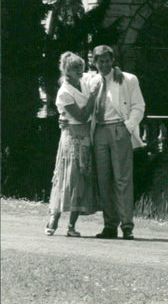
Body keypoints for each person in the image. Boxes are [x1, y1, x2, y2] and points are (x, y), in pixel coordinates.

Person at [89, 45, 145, 240]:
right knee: (104, 180)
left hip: (119, 129)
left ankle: (127, 226)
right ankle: (109, 225)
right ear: (94, 62)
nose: (103, 65)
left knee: (122, 179)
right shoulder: (91, 81)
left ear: (112, 61)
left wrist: (128, 126)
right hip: (99, 131)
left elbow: (139, 106)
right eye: (99, 61)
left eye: (106, 60)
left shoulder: (127, 79)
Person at [46, 52, 101, 237]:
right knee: (68, 176)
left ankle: (71, 226)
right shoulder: (64, 92)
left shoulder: (85, 80)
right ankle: (54, 217)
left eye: (81, 66)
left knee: (82, 177)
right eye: (75, 68)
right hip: (72, 136)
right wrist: (93, 97)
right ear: (66, 71)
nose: (80, 70)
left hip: (86, 136)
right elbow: (81, 115)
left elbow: (100, 75)